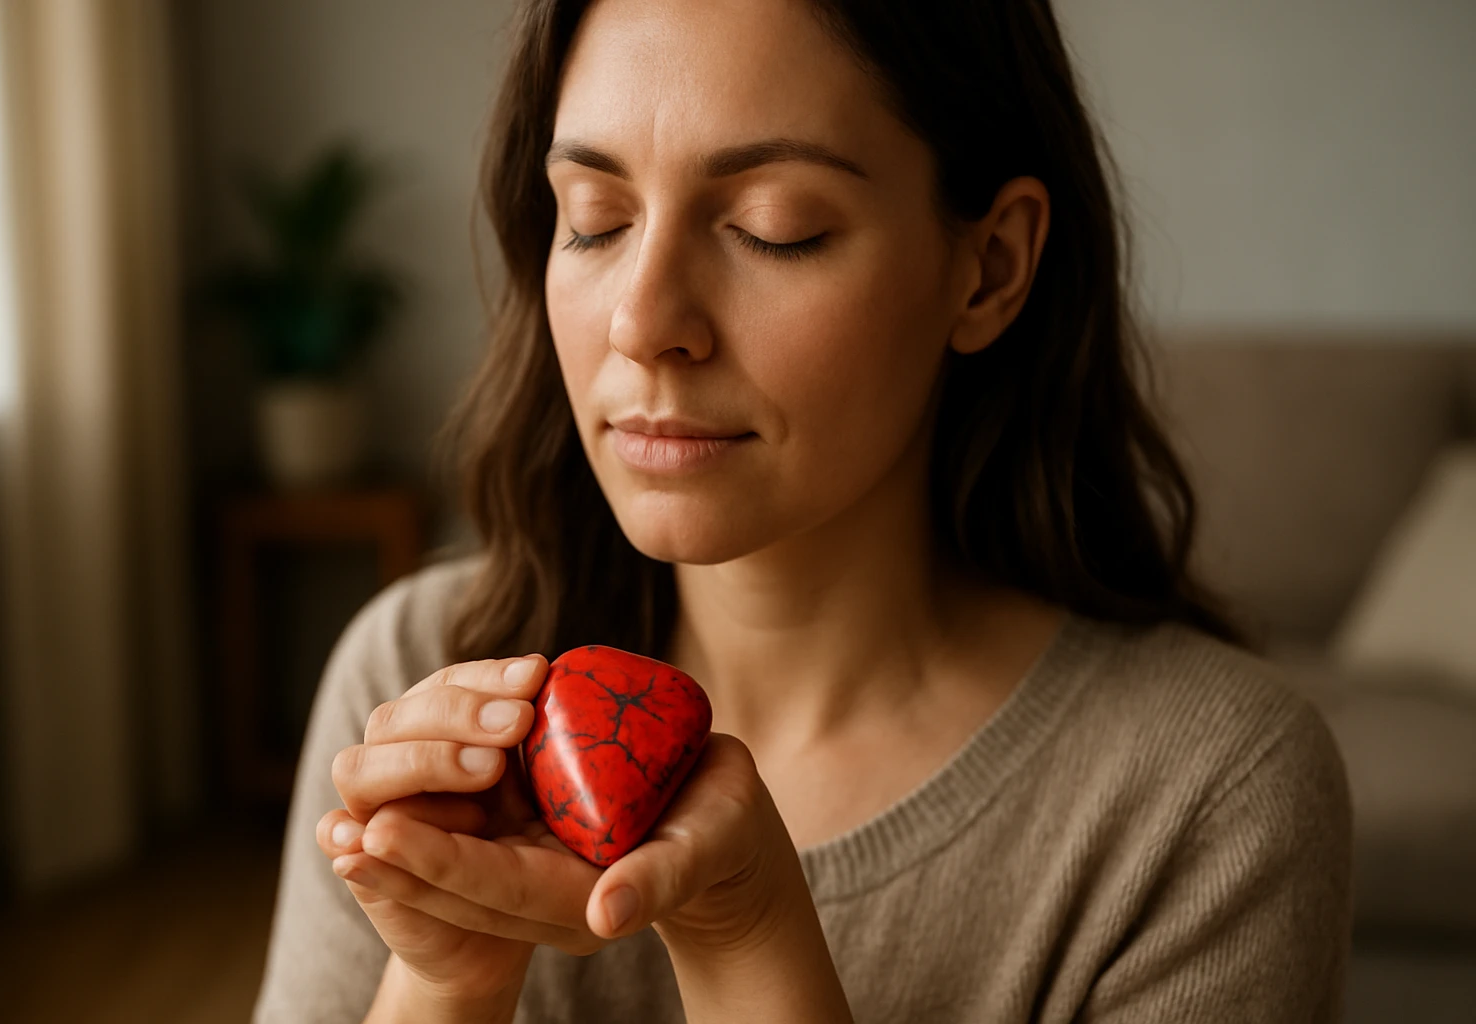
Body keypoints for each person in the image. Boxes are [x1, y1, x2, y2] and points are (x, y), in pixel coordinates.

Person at [252, 0, 1353, 1021]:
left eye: (774, 228)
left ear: (990, 267)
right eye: (593, 219)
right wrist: (447, 980)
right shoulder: (411, 673)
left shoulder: (1210, 791)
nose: (643, 320)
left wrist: (748, 938)